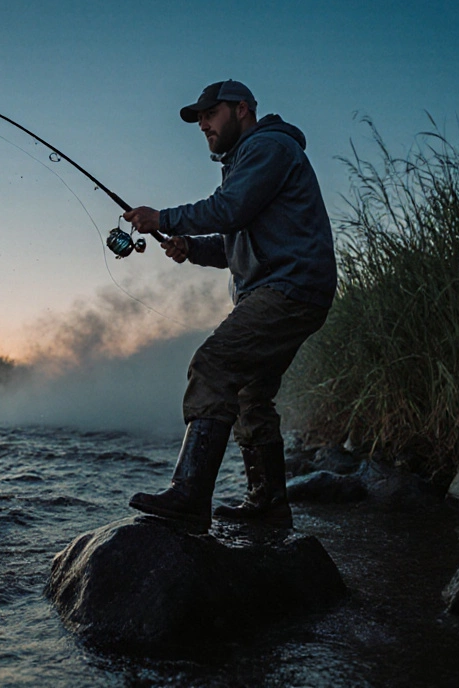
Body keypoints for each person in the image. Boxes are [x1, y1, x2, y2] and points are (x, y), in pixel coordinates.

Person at [122, 79, 336, 531]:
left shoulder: (269, 148)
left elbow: (229, 209)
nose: (202, 124)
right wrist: (190, 247)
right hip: (288, 290)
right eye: (198, 118)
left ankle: (189, 495)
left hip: (288, 289)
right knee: (249, 393)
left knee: (213, 365)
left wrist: (163, 218)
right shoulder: (248, 160)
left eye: (210, 113)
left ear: (242, 109)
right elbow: (235, 240)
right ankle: (269, 506)